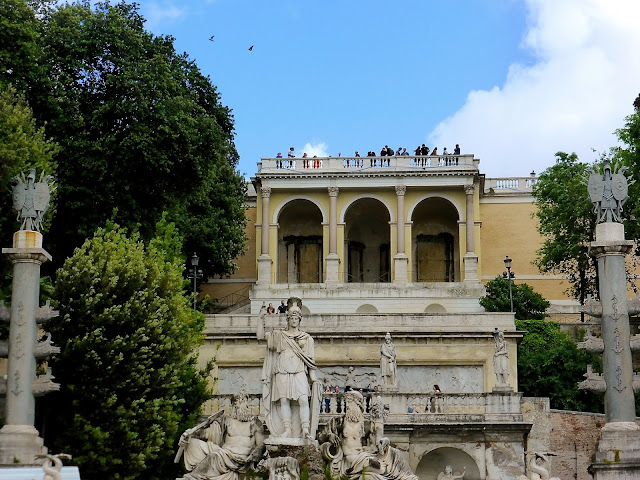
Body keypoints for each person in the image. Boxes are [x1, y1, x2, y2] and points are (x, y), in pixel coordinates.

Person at [319, 390, 418, 480]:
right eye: (347, 403)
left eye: (350, 403)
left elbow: (378, 440)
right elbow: (320, 436)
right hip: (349, 459)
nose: (347, 406)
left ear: (358, 404)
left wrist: (385, 440)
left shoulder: (366, 424)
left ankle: (406, 476)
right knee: (380, 468)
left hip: (362, 456)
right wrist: (329, 436)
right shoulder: (339, 421)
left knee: (394, 454)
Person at [257, 298, 320, 440]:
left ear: (300, 319)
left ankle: (305, 429)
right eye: (291, 317)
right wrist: (260, 319)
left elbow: (311, 361)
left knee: (303, 399)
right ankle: (286, 429)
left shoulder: (307, 338)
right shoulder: (279, 335)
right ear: (287, 319)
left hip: (299, 369)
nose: (294, 320)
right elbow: (260, 336)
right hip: (282, 369)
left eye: (296, 317)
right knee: (284, 400)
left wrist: (313, 378)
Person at [177, 392, 265, 480]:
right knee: (192, 443)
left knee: (214, 456)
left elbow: (261, 445)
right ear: (233, 405)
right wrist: (191, 435)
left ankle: (192, 477)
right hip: (225, 453)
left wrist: (255, 454)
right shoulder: (226, 421)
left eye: (244, 401)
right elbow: (207, 433)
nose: (242, 405)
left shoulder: (255, 423)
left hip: (240, 459)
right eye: (238, 402)